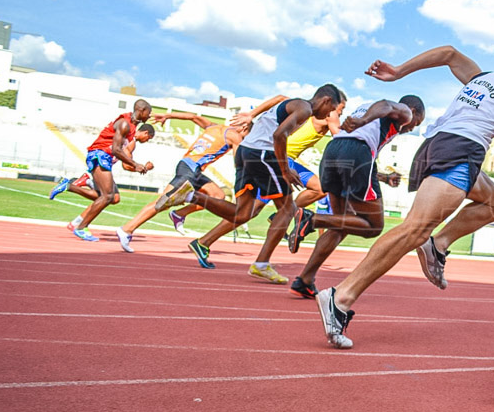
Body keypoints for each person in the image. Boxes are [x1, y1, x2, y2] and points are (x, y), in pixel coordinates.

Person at [314, 45, 494, 349]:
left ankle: (439, 244)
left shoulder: (486, 78)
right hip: (461, 149)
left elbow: (448, 53)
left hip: (438, 145)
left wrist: (398, 71)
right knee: (414, 229)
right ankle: (340, 297)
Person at [159, 85, 346, 283]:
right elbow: (278, 135)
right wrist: (284, 170)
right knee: (288, 209)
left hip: (246, 152)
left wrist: (251, 115)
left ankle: (189, 196)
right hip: (265, 154)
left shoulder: (294, 104)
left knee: (242, 213)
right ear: (326, 101)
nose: (330, 114)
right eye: (333, 109)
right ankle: (262, 263)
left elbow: (280, 101)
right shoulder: (305, 108)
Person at [288, 95, 425, 301]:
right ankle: (312, 219)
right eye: (418, 122)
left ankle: (305, 279)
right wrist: (363, 121)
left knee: (340, 223)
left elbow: (356, 148)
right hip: (356, 153)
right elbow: (385, 104)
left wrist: (384, 177)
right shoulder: (403, 112)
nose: (413, 127)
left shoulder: (366, 110)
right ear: (413, 111)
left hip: (333, 152)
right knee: (373, 227)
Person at [114, 112, 248, 253]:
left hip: (192, 169)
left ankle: (179, 214)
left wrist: (167, 115)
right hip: (190, 170)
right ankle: (126, 229)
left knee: (217, 196)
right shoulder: (236, 136)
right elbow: (239, 164)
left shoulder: (214, 126)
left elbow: (193, 117)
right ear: (244, 128)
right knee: (162, 202)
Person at [49, 99, 155, 241]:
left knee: (112, 197)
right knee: (107, 196)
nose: (150, 116)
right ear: (142, 111)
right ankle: (80, 227)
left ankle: (69, 186)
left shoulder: (132, 128)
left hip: (104, 157)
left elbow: (124, 161)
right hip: (100, 155)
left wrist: (137, 166)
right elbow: (116, 150)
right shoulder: (125, 124)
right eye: (149, 112)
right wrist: (136, 164)